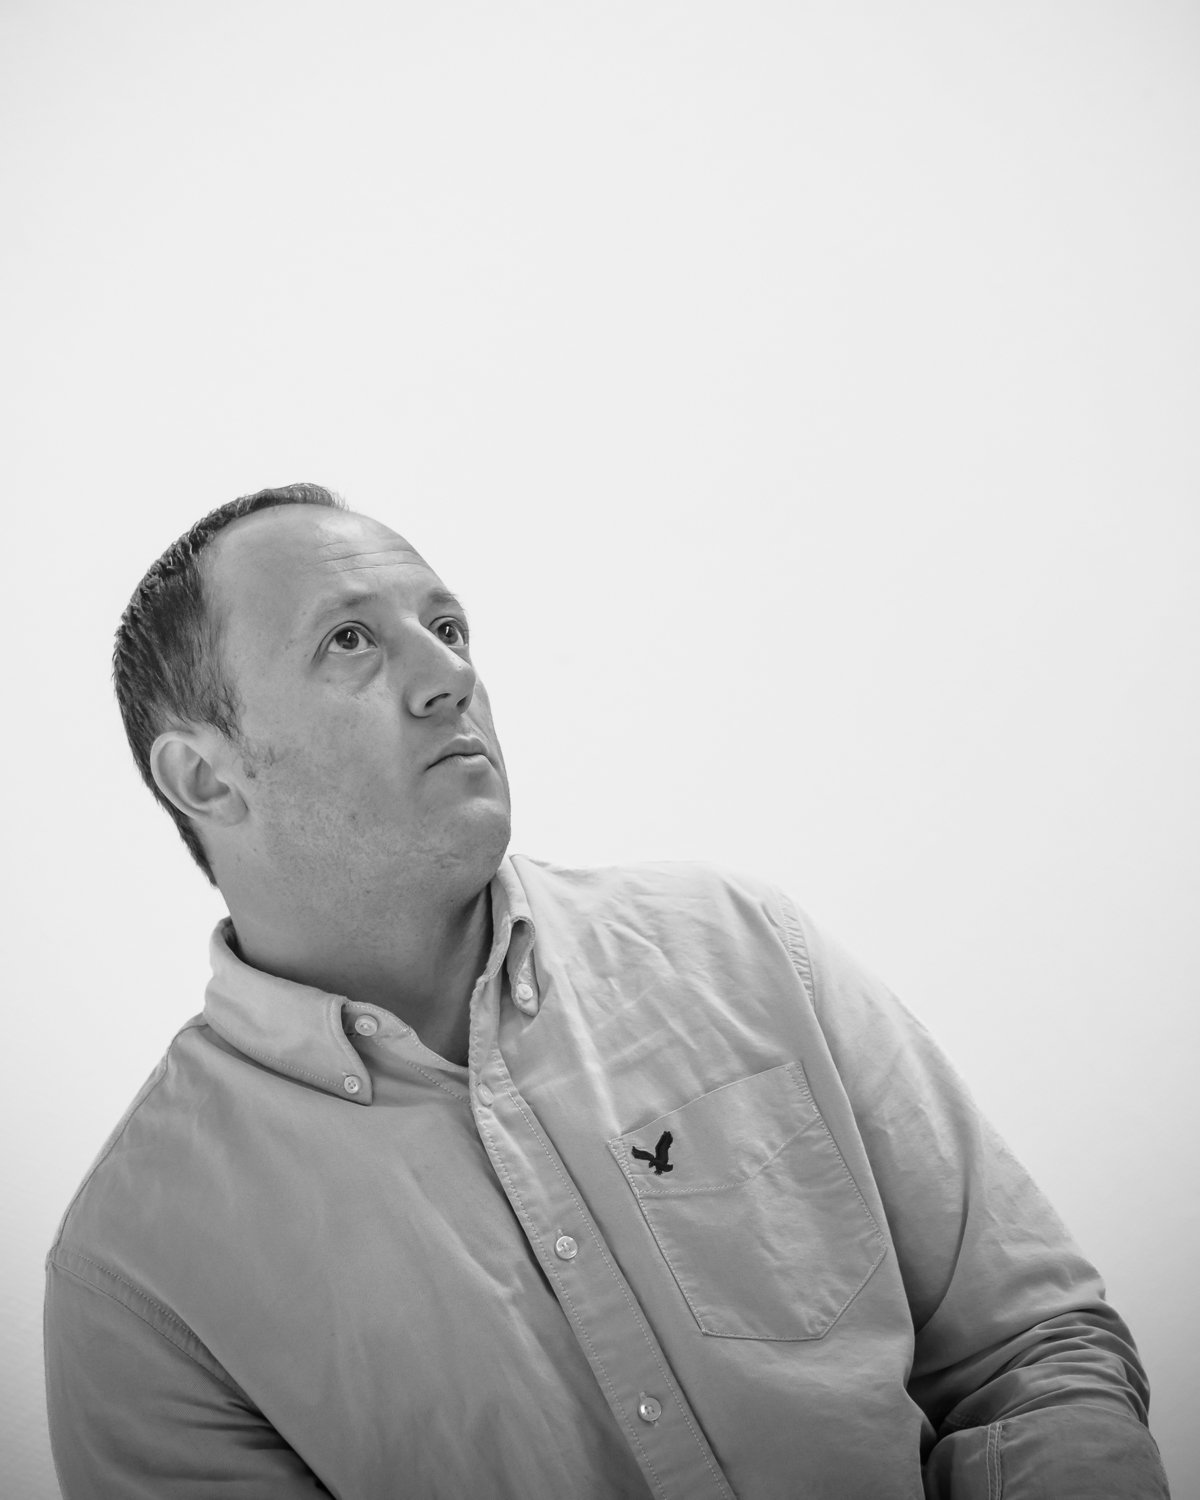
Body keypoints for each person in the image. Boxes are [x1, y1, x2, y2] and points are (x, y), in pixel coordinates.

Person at [44, 484, 1170, 1500]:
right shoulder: (140, 1280)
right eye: (351, 641)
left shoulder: (741, 948)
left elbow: (1037, 1353)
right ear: (204, 775)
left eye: (446, 629)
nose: (452, 676)